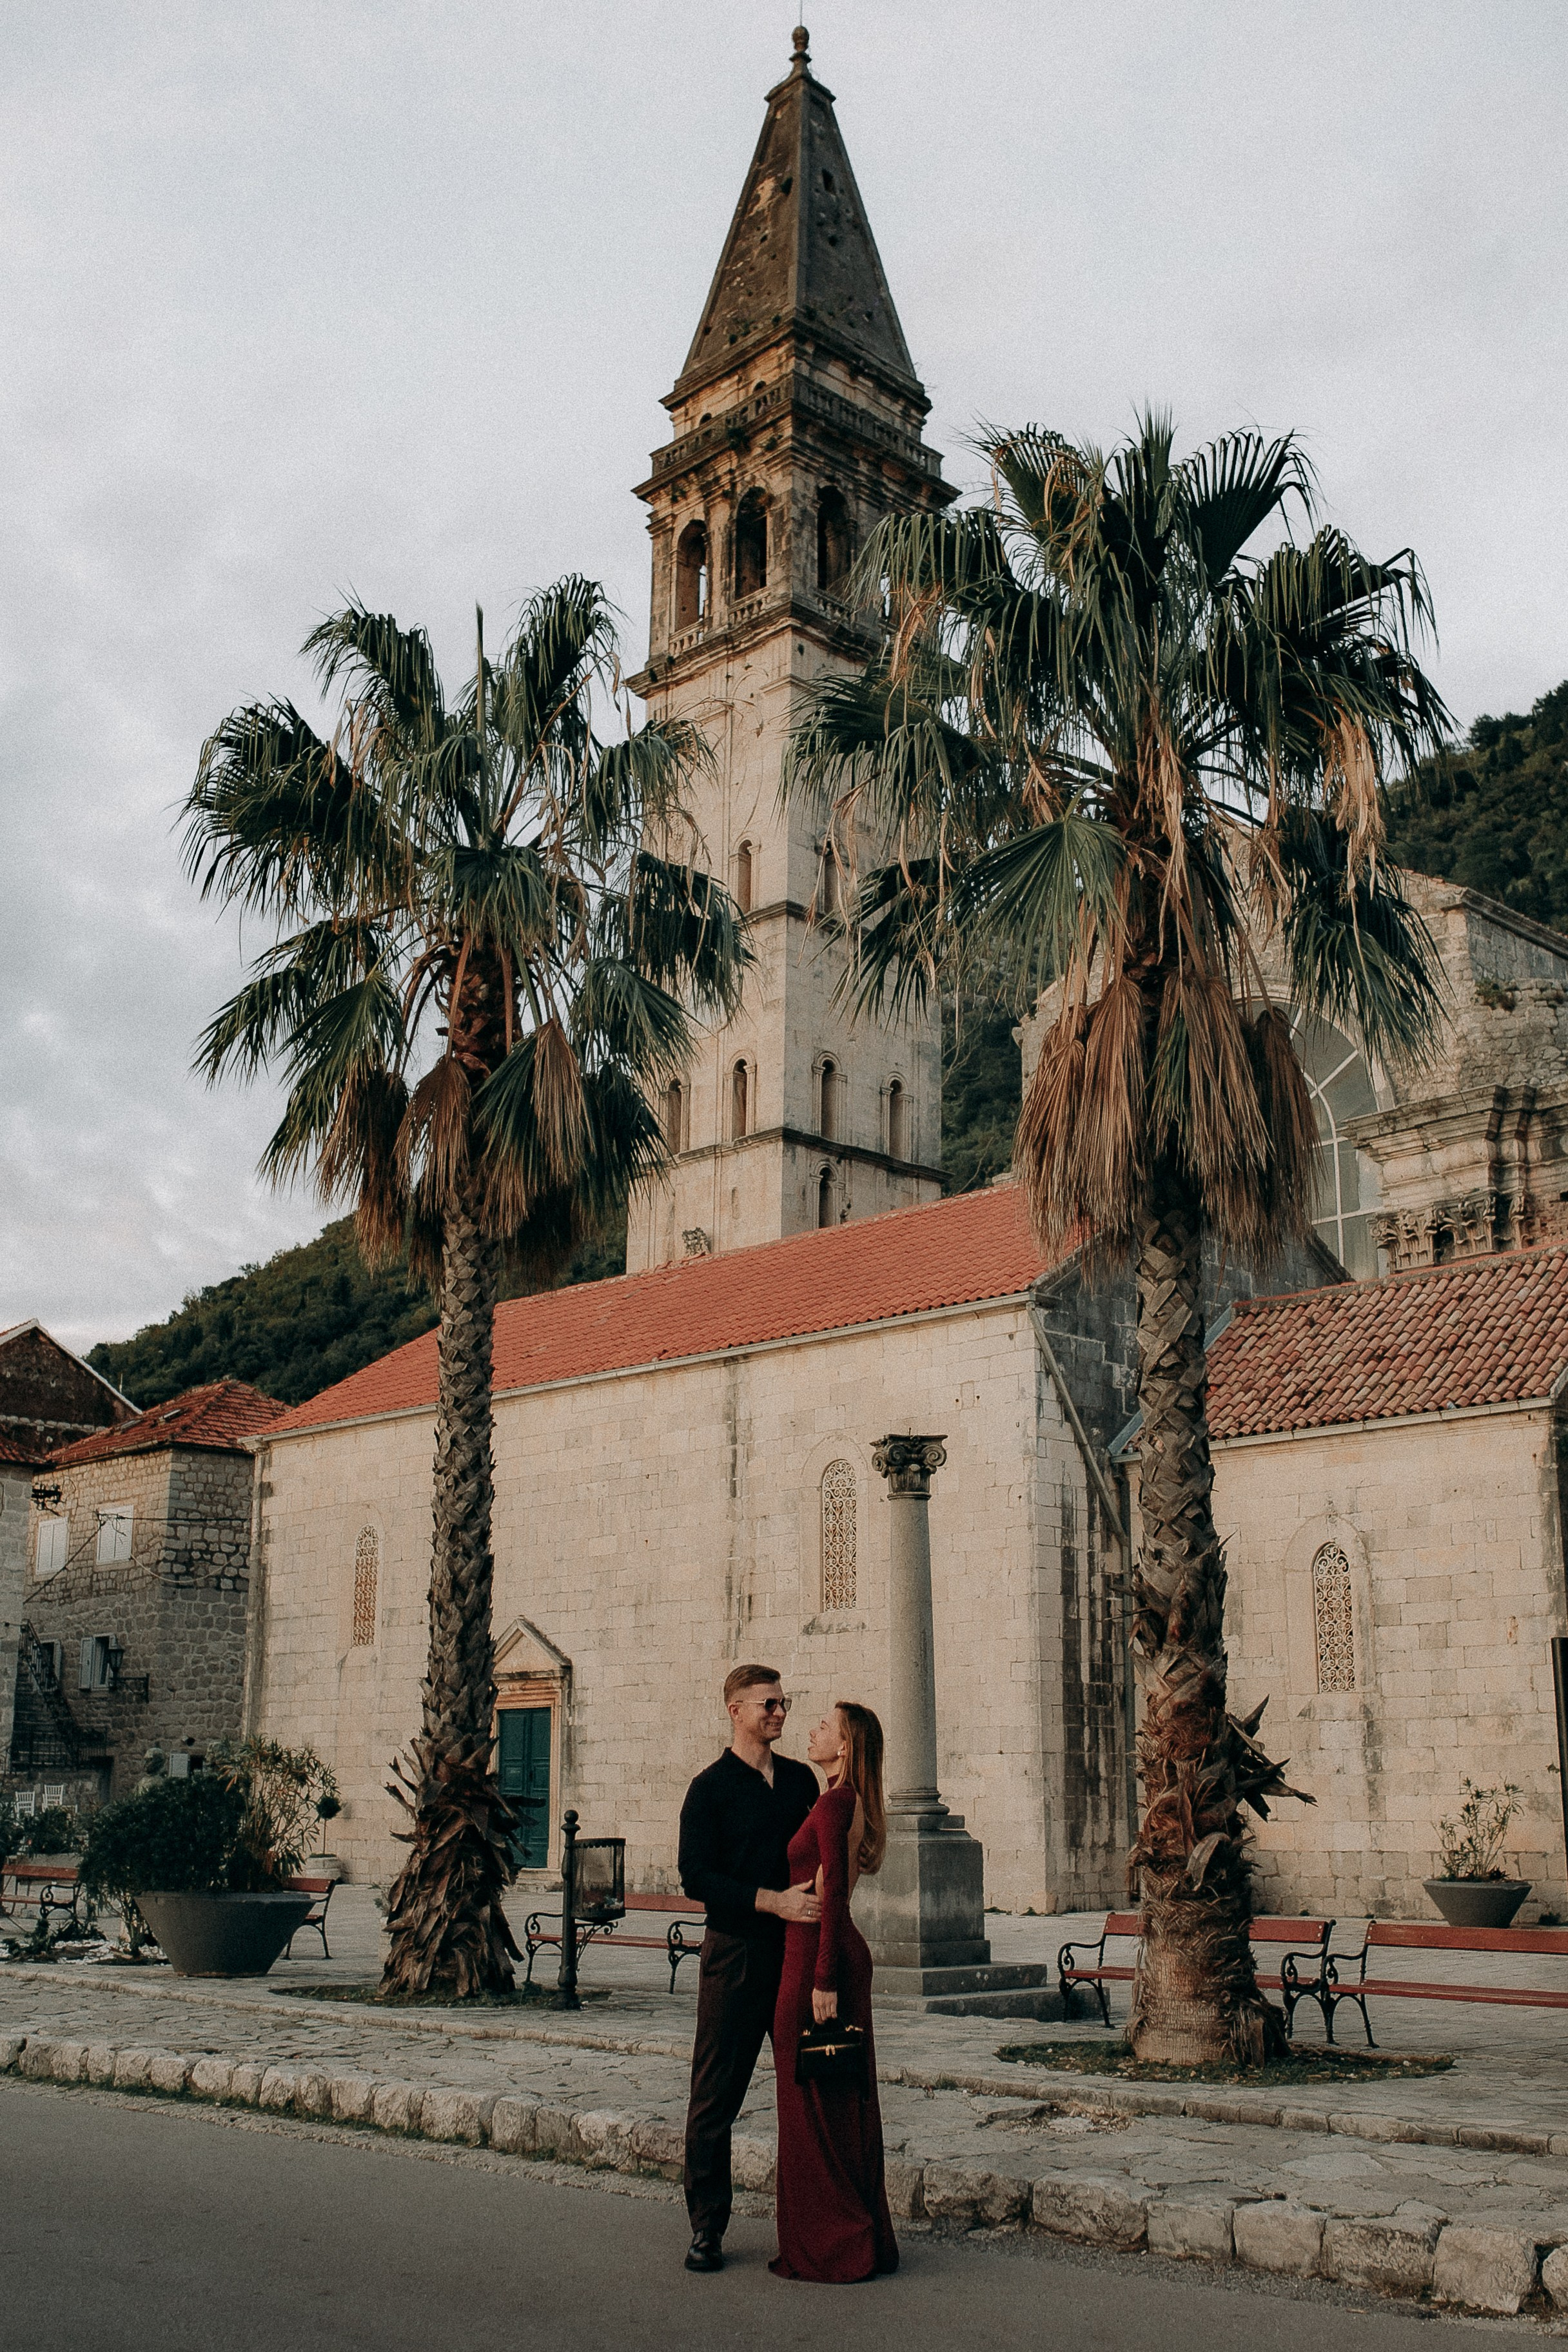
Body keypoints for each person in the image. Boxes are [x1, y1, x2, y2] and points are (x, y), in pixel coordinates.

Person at [677, 1663, 821, 2274]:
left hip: (794, 1954)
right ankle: (707, 2227)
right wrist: (770, 1900)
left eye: (784, 1704)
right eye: (768, 1705)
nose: (780, 1714)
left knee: (806, 2093)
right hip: (735, 1954)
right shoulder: (708, 1789)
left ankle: (812, 2229)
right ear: (735, 1711)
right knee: (715, 2097)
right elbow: (696, 1877)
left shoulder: (799, 1782)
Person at [770, 1701, 898, 2284]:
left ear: (844, 1748)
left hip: (818, 1959)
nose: (813, 1731)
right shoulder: (849, 1803)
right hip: (834, 1954)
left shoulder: (832, 1802)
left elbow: (833, 1896)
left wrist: (822, 1979)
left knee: (809, 2106)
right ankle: (854, 2234)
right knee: (839, 2102)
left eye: (824, 1726)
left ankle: (834, 2243)